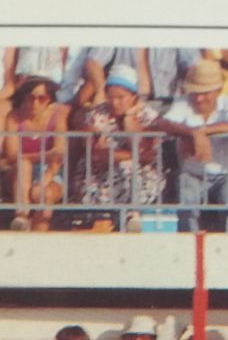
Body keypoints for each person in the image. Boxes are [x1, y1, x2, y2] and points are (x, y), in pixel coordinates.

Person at [67, 63, 166, 232]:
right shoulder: (97, 115)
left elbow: (147, 154)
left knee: (128, 167)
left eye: (121, 97)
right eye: (111, 97)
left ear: (133, 97)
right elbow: (97, 155)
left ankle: (132, 215)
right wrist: (131, 154)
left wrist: (128, 120)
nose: (115, 102)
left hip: (138, 175)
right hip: (100, 174)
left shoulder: (148, 116)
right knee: (121, 166)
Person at [157, 58, 228, 233]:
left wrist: (203, 131)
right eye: (195, 92)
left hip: (225, 175)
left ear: (218, 90)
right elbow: (164, 123)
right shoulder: (183, 103)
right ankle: (188, 244)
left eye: (205, 92)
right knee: (186, 195)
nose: (199, 98)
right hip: (192, 174)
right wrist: (193, 134)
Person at [0, 77, 70, 232]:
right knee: (23, 165)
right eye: (31, 97)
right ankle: (22, 216)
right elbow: (11, 156)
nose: (35, 103)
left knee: (45, 195)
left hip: (50, 170)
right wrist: (43, 155)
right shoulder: (14, 117)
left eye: (41, 98)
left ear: (49, 99)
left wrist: (41, 183)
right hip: (19, 172)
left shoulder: (57, 117)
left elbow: (58, 155)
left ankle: (38, 236)